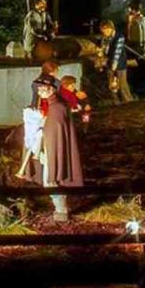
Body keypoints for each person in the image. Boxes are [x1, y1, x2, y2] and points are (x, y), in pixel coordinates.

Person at [20, 78, 84, 220]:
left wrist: (40, 125)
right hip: (47, 147)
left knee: (51, 180)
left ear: (53, 89)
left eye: (44, 88)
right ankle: (60, 209)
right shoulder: (49, 104)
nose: (40, 91)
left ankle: (61, 210)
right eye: (39, 88)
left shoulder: (58, 107)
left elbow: (54, 129)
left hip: (52, 147)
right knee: (49, 179)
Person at [101, 21, 143, 103]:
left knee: (123, 84)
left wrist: (115, 63)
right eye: (103, 31)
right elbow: (106, 51)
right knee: (112, 84)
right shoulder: (106, 38)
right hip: (109, 63)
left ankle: (128, 101)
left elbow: (118, 51)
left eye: (105, 30)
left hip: (120, 64)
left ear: (110, 28)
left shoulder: (120, 37)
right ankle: (116, 102)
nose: (104, 33)